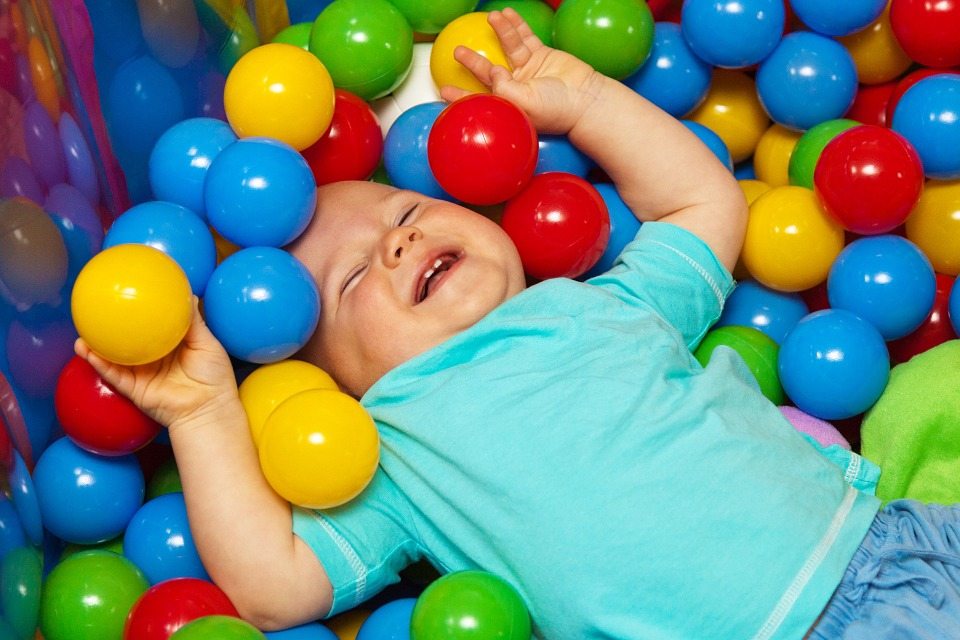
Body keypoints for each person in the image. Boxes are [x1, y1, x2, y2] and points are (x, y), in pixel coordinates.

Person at [75, 9, 960, 640]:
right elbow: (272, 589)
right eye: (351, 283)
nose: (400, 243)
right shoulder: (392, 455)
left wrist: (587, 106)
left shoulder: (599, 303)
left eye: (405, 210)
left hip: (894, 550)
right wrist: (202, 413)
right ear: (342, 384)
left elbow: (702, 206)